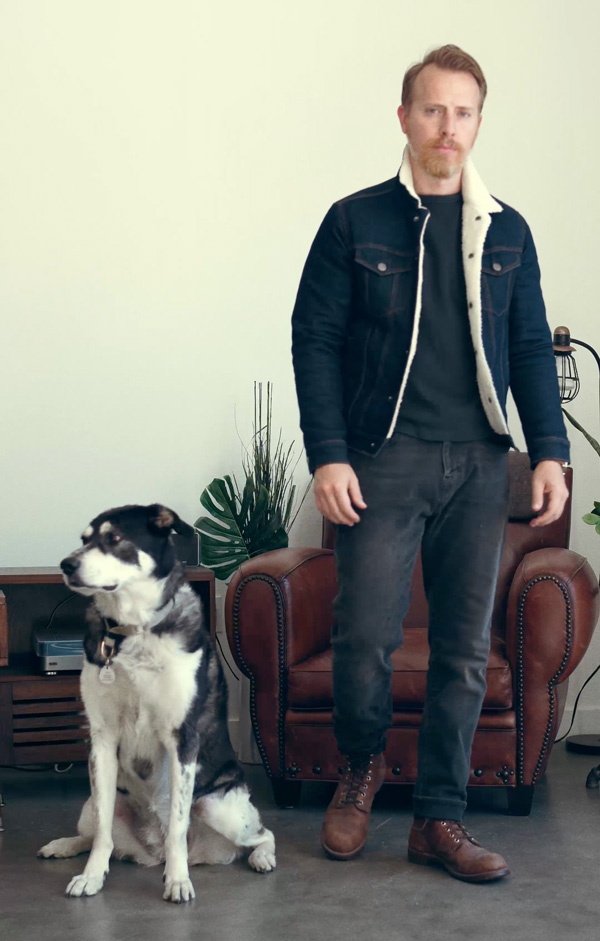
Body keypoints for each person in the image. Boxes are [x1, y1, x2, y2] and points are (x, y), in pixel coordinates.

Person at [291, 44, 569, 883]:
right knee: (364, 637)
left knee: (460, 649)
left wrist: (548, 450)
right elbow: (316, 341)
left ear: (479, 121)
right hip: (385, 458)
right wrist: (329, 454)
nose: (448, 127)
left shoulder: (508, 230)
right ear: (405, 117)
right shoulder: (355, 220)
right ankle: (362, 765)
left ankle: (438, 818)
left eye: (464, 112)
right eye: (433, 110)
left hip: (481, 464)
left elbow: (526, 347)